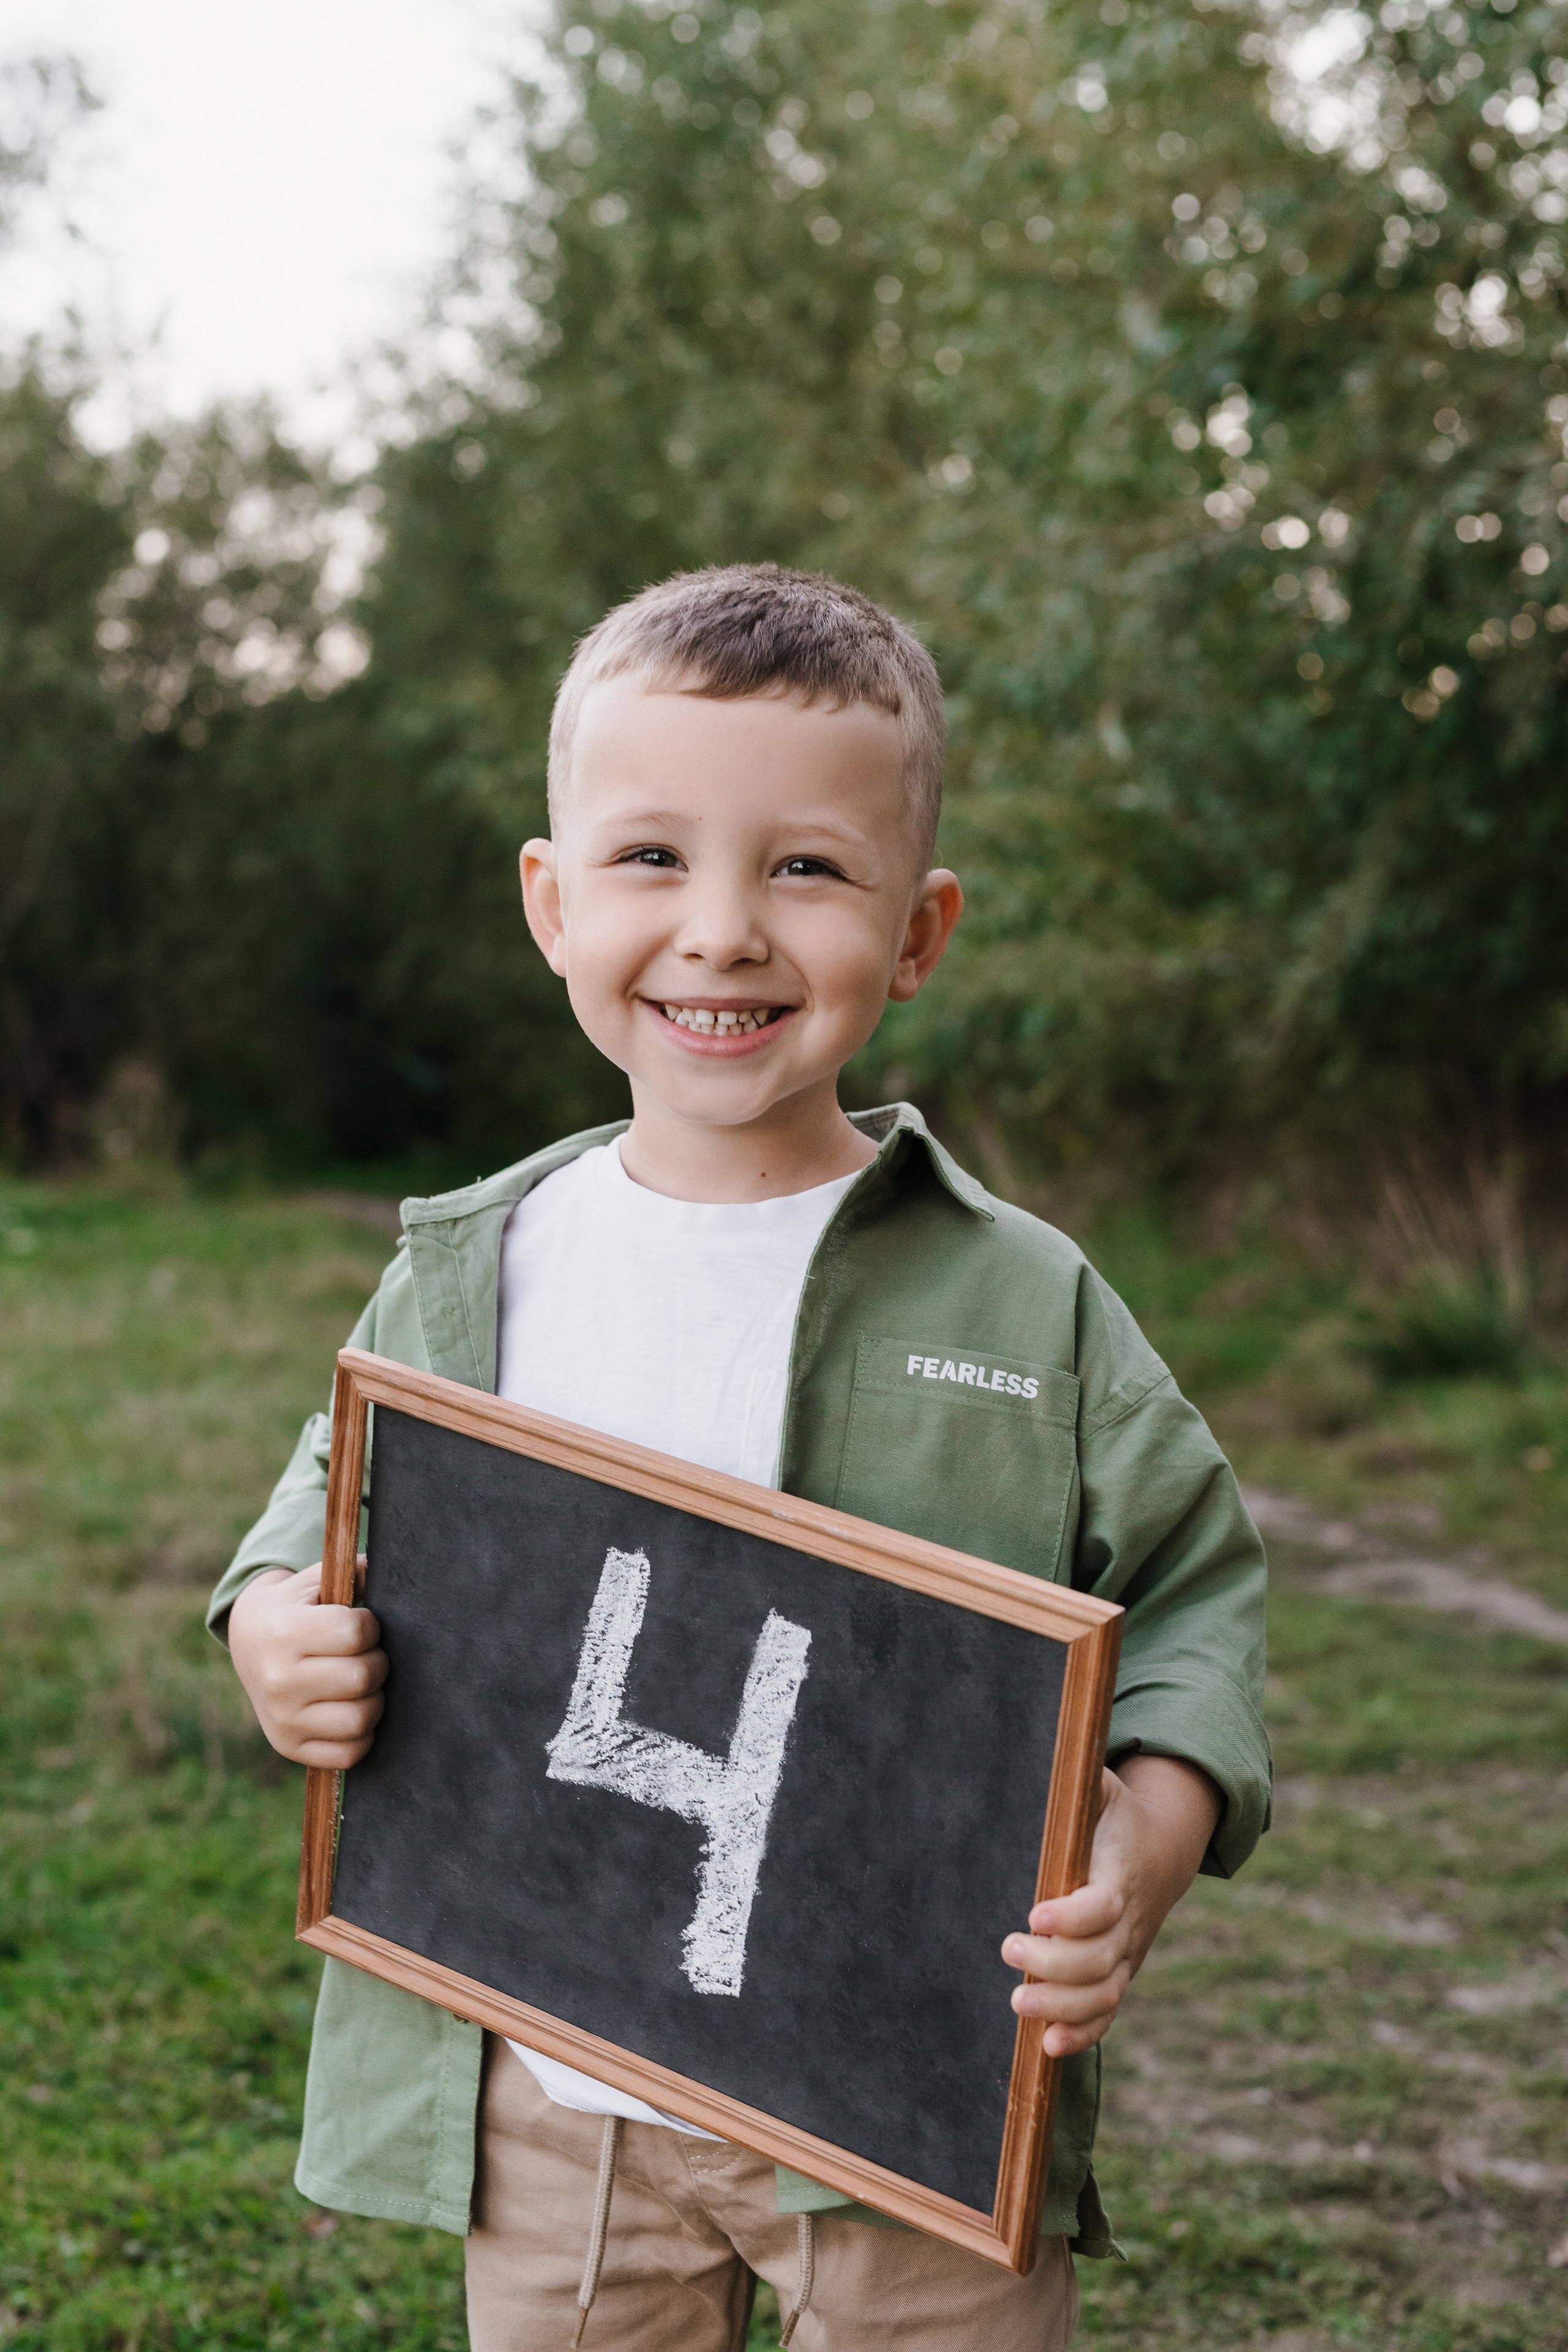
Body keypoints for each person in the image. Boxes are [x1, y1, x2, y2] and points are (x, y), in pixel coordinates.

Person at [208, 563, 1269, 2352]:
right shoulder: (473, 1268)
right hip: (555, 2091)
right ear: (549, 903)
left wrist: (1145, 1846)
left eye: (805, 867)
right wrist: (268, 1634)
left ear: (919, 932)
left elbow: (1187, 1603)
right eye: (649, 859)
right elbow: (327, 1507)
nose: (721, 931)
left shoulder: (1026, 1302)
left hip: (904, 2099)